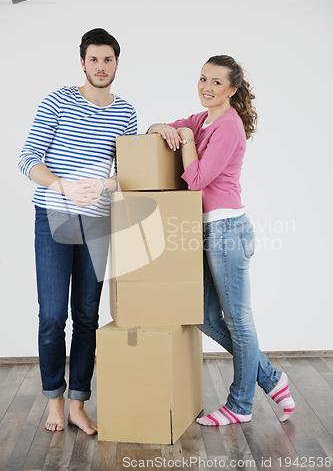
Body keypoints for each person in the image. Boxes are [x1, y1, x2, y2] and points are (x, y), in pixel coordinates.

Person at [148, 55, 295, 426]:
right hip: (207, 230)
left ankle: (240, 406)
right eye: (202, 79)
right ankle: (270, 377)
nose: (206, 87)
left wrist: (183, 140)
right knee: (200, 313)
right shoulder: (203, 119)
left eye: (216, 83)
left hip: (228, 230)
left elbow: (196, 179)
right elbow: (172, 125)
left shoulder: (227, 126)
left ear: (231, 90)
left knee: (239, 321)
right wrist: (159, 126)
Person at [18, 28, 137, 434]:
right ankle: (53, 399)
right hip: (55, 215)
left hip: (98, 220)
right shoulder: (58, 101)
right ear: (82, 62)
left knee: (86, 317)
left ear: (117, 63)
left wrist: (104, 185)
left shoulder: (126, 113)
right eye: (94, 60)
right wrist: (63, 185)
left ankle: (77, 404)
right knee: (52, 316)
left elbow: (130, 173)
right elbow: (27, 159)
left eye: (108, 60)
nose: (101, 67)